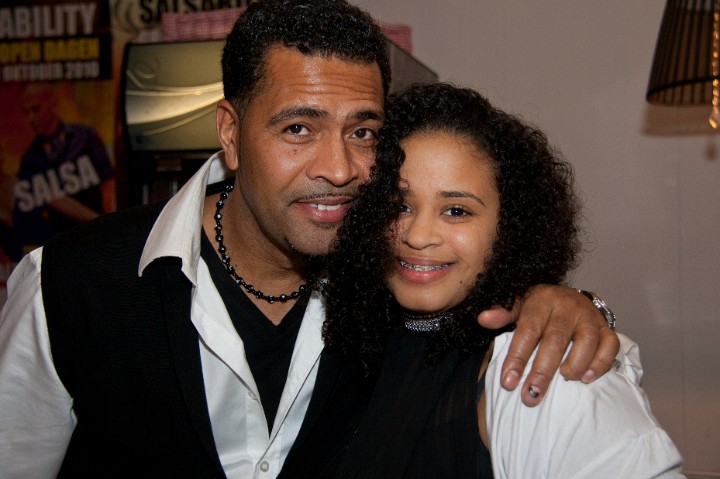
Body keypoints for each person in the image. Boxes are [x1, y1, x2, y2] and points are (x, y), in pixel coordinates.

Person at [0, 1, 618, 477]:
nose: (340, 169)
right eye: (298, 128)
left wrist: (569, 303)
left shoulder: (398, 279)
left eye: (363, 132)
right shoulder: (68, 284)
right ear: (230, 132)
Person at [322, 83, 684, 478]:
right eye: (400, 205)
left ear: (510, 228)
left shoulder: (538, 370)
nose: (418, 235)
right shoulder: (351, 340)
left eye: (456, 210)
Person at [12, 82, 116, 250]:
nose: (31, 118)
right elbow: (54, 199)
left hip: (97, 238)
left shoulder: (85, 136)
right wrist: (101, 222)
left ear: (51, 104)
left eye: (36, 109)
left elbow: (108, 183)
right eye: (26, 112)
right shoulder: (30, 158)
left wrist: (113, 225)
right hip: (62, 242)